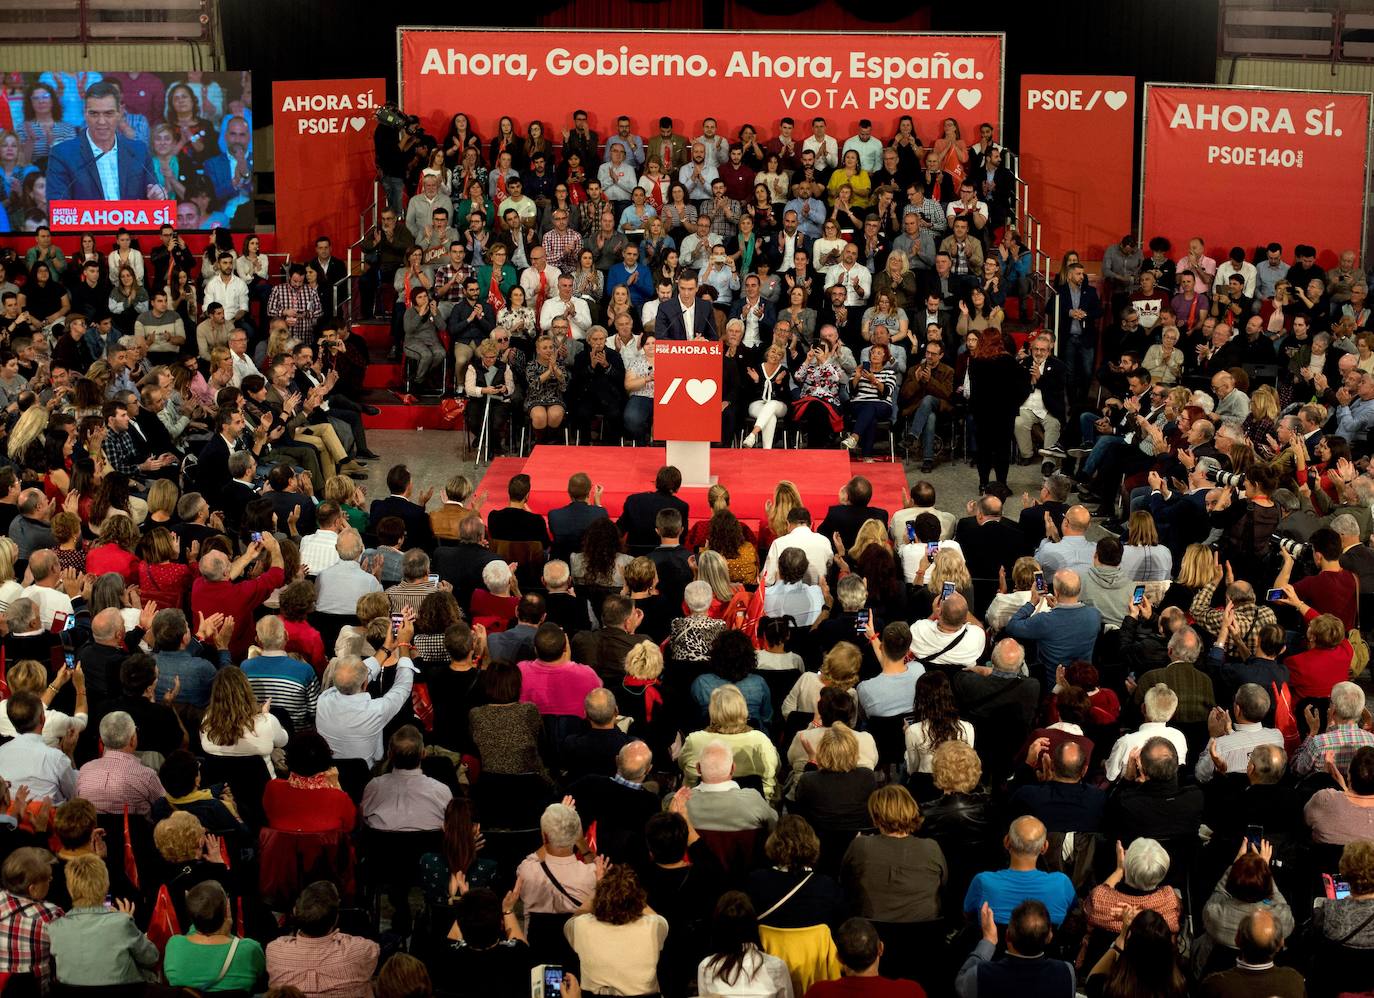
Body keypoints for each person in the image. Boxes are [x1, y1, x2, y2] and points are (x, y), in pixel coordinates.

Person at [47, 853, 159, 987]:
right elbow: (152, 958)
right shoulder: (122, 923)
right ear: (106, 885)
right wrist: (127, 919)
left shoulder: (55, 928)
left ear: (70, 889)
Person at [265, 881, 379, 995]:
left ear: (295, 911)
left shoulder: (275, 950)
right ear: (336, 919)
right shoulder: (360, 950)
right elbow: (374, 948)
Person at [955, 899, 1076, 998]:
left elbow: (961, 984)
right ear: (1049, 937)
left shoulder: (980, 975)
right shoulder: (1067, 972)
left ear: (1007, 936)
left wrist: (988, 941)